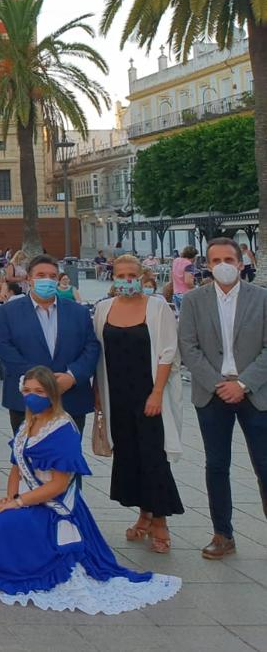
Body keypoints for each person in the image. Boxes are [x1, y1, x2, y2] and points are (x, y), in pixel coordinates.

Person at [0, 367, 181, 614]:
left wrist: (18, 502)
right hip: (29, 499)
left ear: (52, 394)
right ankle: (6, 565)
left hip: (55, 509)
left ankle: (24, 569)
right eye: (27, 390)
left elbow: (58, 485)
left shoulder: (62, 430)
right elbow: (16, 466)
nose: (31, 396)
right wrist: (10, 496)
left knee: (1, 526)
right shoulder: (28, 424)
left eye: (38, 391)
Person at [177, 237, 267, 560]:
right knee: (217, 465)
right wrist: (219, 384)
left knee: (264, 464)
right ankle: (222, 534)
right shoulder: (193, 301)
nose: (223, 266)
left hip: (255, 393)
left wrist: (242, 384)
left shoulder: (262, 298)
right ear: (207, 265)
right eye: (215, 261)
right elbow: (188, 347)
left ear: (241, 263)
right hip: (211, 393)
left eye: (229, 259)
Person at [93, 255, 185, 555]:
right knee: (129, 456)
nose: (126, 280)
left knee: (153, 457)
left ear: (142, 276)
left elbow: (168, 352)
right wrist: (99, 399)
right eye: (120, 275)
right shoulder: (103, 309)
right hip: (116, 397)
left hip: (148, 397)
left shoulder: (157, 307)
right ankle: (144, 514)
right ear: (113, 277)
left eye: (132, 274)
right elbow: (99, 356)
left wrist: (157, 393)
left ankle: (160, 521)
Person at [0, 254, 101, 436]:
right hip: (27, 400)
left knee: (66, 460)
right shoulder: (9, 311)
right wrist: (39, 382)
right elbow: (5, 348)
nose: (48, 280)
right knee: (28, 459)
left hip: (70, 398)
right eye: (41, 275)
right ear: (29, 279)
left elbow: (91, 347)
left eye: (52, 276)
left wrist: (72, 376)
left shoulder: (78, 312)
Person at [171, 245, 197, 311]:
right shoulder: (189, 265)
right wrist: (196, 288)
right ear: (193, 256)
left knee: (180, 316)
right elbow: (188, 282)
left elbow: (172, 275)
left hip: (176, 292)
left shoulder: (176, 261)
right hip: (186, 294)